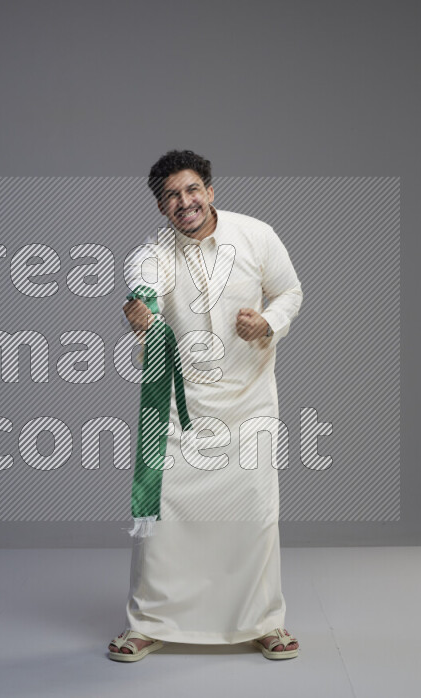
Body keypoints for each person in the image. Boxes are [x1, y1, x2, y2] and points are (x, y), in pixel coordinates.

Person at [108, 150, 303, 662]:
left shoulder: (257, 235)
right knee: (163, 520)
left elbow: (289, 291)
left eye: (192, 190)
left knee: (255, 514)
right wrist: (140, 306)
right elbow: (145, 281)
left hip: (250, 402)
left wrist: (268, 323)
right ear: (160, 207)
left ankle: (264, 621)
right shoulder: (155, 250)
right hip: (180, 407)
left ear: (211, 191)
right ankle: (148, 623)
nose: (184, 202)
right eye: (171, 196)